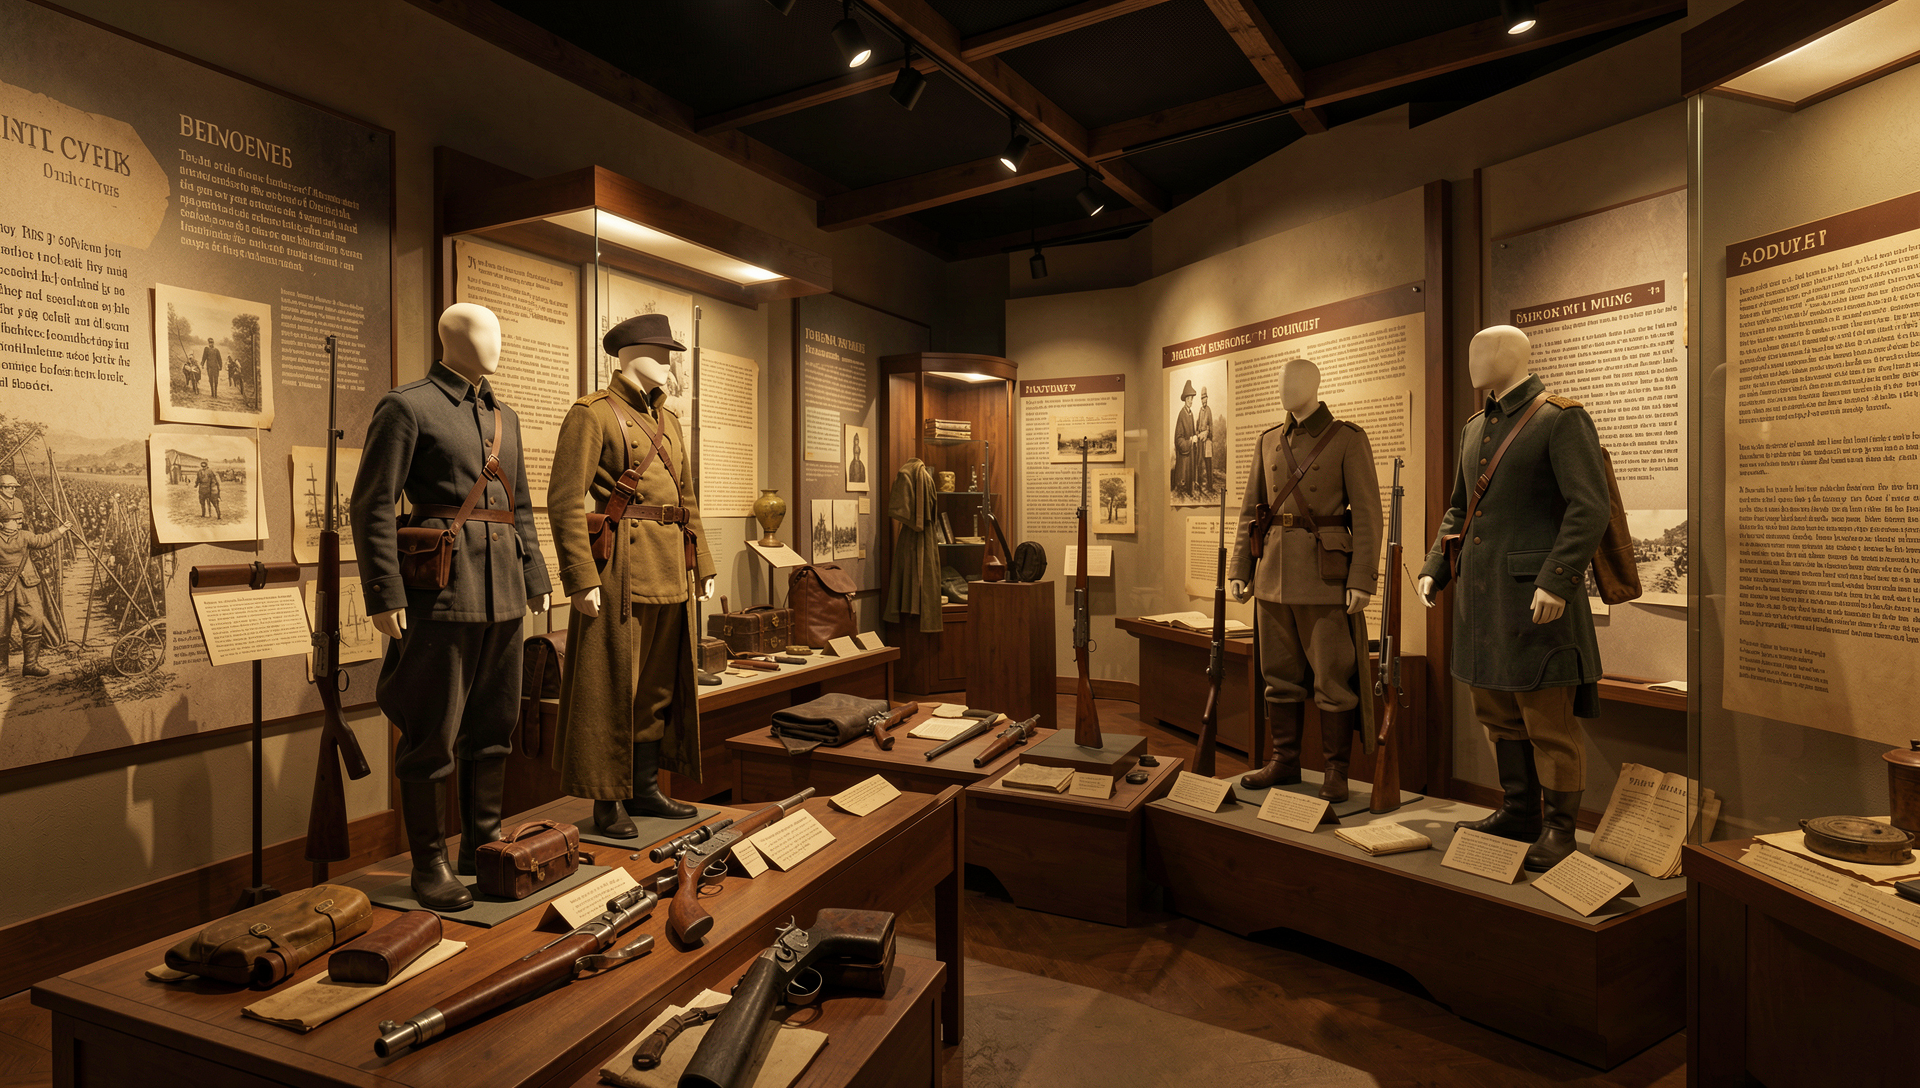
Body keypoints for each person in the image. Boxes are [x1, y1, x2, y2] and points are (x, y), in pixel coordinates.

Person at [352, 303, 552, 910]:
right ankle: (430, 862)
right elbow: (373, 503)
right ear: (451, 338)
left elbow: (518, 507)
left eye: (498, 330)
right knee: (431, 733)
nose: (496, 342)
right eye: (483, 331)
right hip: (441, 594)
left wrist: (535, 578)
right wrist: (384, 592)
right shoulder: (408, 406)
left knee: (494, 728)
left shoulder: (504, 417)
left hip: (503, 594)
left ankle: (482, 846)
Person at [1417, 325, 1609, 871]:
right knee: (1497, 713)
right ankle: (1520, 811)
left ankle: (1560, 830)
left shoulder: (1560, 419)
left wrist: (1558, 578)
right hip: (1482, 603)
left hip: (1536, 600)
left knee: (1549, 722)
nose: (1472, 360)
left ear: (1512, 355)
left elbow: (1589, 506)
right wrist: (1435, 569)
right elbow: (1460, 509)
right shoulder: (1475, 427)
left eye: (1481, 350)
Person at [547, 312, 714, 840]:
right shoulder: (593, 413)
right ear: (631, 354)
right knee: (612, 687)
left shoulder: (670, 421)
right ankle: (607, 800)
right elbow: (565, 500)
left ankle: (644, 788)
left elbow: (687, 500)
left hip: (670, 567)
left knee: (656, 688)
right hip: (618, 569)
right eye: (661, 355)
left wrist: (703, 563)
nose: (669, 366)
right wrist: (581, 576)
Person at [1228, 360, 1382, 801]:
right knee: (1278, 675)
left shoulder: (1347, 438)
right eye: (1280, 382)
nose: (1284, 389)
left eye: (1293, 382)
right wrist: (1240, 568)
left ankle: (1336, 771)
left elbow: (1368, 515)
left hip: (1324, 576)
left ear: (1314, 384)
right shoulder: (1268, 440)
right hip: (1272, 573)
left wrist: (1361, 578)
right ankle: (1284, 761)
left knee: (1332, 678)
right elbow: (1250, 510)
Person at [0, 511, 71, 678]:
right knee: (1, 626)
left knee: (34, 619)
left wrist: (61, 530)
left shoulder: (25, 535)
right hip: (3, 587)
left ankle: (30, 665)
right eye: (14, 520)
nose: (19, 522)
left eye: (19, 519)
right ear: (2, 523)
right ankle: (2, 665)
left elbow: (42, 540)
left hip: (27, 584)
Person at [1172, 380, 1198, 498]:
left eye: (1192, 398)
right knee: (1182, 487)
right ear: (1185, 400)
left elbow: (1193, 433)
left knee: (1190, 482)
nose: (1191, 401)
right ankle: (1183, 489)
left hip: (1190, 454)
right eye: (1189, 399)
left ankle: (1190, 489)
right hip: (1184, 456)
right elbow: (1178, 439)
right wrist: (1190, 441)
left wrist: (1196, 437)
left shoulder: (1191, 414)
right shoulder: (1182, 414)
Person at [1196, 387, 1215, 495]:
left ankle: (1210, 486)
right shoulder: (1200, 411)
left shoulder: (1208, 410)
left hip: (1207, 440)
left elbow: (1211, 425)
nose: (1204, 400)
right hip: (1200, 440)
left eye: (1206, 398)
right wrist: (1198, 434)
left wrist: (1208, 435)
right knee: (1199, 461)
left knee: (1208, 463)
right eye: (1203, 398)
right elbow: (1198, 424)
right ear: (1201, 399)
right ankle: (1199, 484)